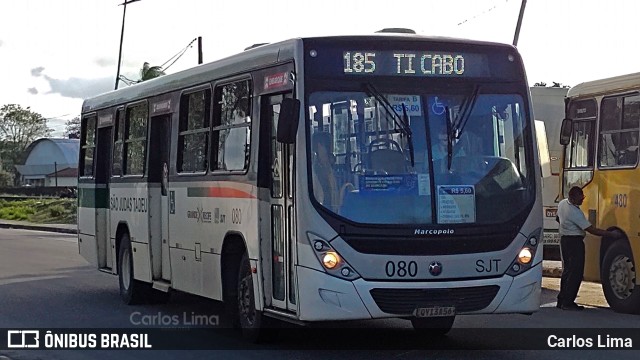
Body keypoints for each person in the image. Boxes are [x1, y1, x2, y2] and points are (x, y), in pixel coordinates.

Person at [556, 186, 621, 310]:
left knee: (567, 271)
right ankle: (568, 303)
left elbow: (558, 218)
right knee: (576, 273)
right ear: (573, 198)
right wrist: (611, 234)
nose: (582, 201)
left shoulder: (562, 203)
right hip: (574, 242)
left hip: (565, 240)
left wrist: (565, 227)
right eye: (580, 199)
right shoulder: (574, 212)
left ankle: (562, 300)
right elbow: (591, 230)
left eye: (583, 197)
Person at [312, 132, 339, 211]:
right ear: (319, 146)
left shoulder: (329, 168)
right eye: (327, 147)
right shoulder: (312, 170)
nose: (329, 153)